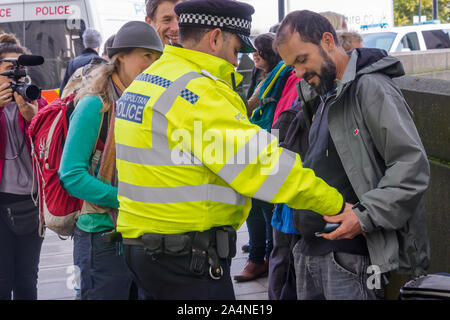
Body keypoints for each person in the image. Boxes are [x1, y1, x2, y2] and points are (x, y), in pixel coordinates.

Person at [115, 0, 354, 300]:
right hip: (185, 259)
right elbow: (260, 166)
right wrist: (335, 205)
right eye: (235, 50)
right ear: (215, 38)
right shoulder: (196, 91)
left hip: (146, 250)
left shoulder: (149, 80)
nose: (235, 61)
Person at [275, 10, 430, 300]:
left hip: (350, 259)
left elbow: (412, 166)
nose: (297, 73)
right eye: (291, 66)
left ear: (328, 40)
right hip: (309, 249)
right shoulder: (319, 93)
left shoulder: (372, 88)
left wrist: (364, 216)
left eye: (302, 59)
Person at [58, 21, 163, 300]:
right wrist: (128, 198)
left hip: (141, 234)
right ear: (120, 57)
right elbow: (71, 174)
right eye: (146, 55)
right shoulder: (95, 104)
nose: (153, 64)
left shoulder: (147, 102)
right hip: (101, 240)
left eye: (157, 58)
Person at [234, 33, 287, 283]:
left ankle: (260, 259)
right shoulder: (268, 75)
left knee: (262, 206)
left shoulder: (281, 74)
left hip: (268, 144)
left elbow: (256, 109)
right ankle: (261, 257)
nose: (254, 55)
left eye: (260, 51)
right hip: (261, 143)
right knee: (259, 206)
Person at [0, 33, 48, 300]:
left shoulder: (36, 101)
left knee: (27, 278)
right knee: (2, 278)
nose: (16, 78)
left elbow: (52, 148)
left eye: (20, 72)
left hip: (31, 201)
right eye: (9, 71)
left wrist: (33, 117)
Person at [59, 28, 102, 97]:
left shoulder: (73, 62)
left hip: (74, 105)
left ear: (84, 43)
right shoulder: (100, 62)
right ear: (99, 45)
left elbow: (63, 90)